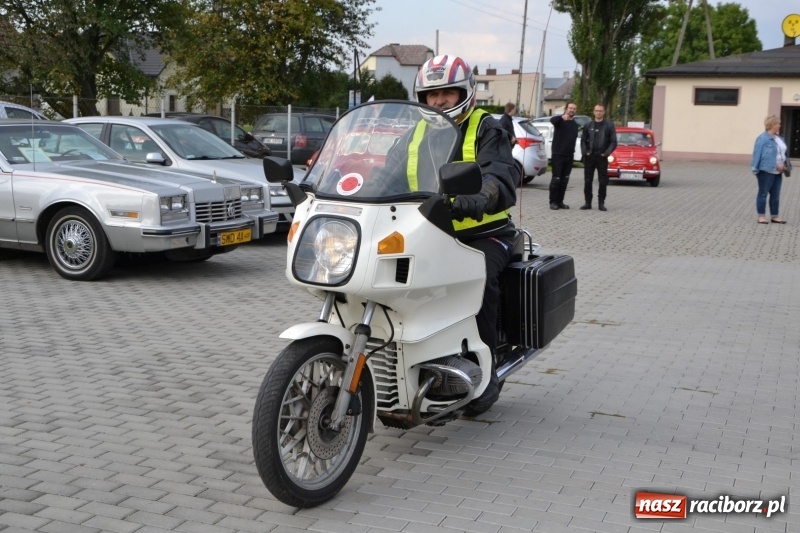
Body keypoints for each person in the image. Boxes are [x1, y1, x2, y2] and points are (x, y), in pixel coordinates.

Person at [410, 55, 518, 414]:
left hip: (486, 233)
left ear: (465, 93)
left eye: (447, 93)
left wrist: (482, 197)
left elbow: (500, 175)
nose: (438, 101)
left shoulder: (487, 128)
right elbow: (385, 169)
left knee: (478, 277)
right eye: (431, 94)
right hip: (433, 232)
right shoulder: (416, 132)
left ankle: (487, 376)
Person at [751, 115, 788, 224]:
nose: (780, 125)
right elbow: (758, 154)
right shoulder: (762, 138)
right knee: (763, 193)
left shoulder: (780, 138)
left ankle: (774, 216)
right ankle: (761, 216)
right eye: (778, 123)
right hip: (766, 170)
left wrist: (784, 165)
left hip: (779, 171)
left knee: (776, 194)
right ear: (772, 125)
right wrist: (755, 168)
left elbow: (784, 153)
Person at [580, 103, 616, 211]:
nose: (598, 112)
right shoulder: (588, 125)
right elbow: (583, 140)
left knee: (602, 181)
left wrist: (606, 153)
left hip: (602, 157)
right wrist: (585, 152)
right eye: (597, 110)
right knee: (587, 180)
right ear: (594, 112)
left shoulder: (609, 125)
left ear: (604, 112)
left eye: (600, 111)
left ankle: (601, 203)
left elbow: (613, 142)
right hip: (590, 157)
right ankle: (587, 202)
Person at [549, 102, 580, 210]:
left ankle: (560, 201)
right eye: (570, 108)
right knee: (556, 179)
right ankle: (553, 202)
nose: (572, 110)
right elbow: (552, 120)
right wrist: (561, 117)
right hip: (558, 155)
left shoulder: (575, 125)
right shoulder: (559, 121)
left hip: (569, 156)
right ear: (566, 109)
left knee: (564, 180)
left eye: (574, 108)